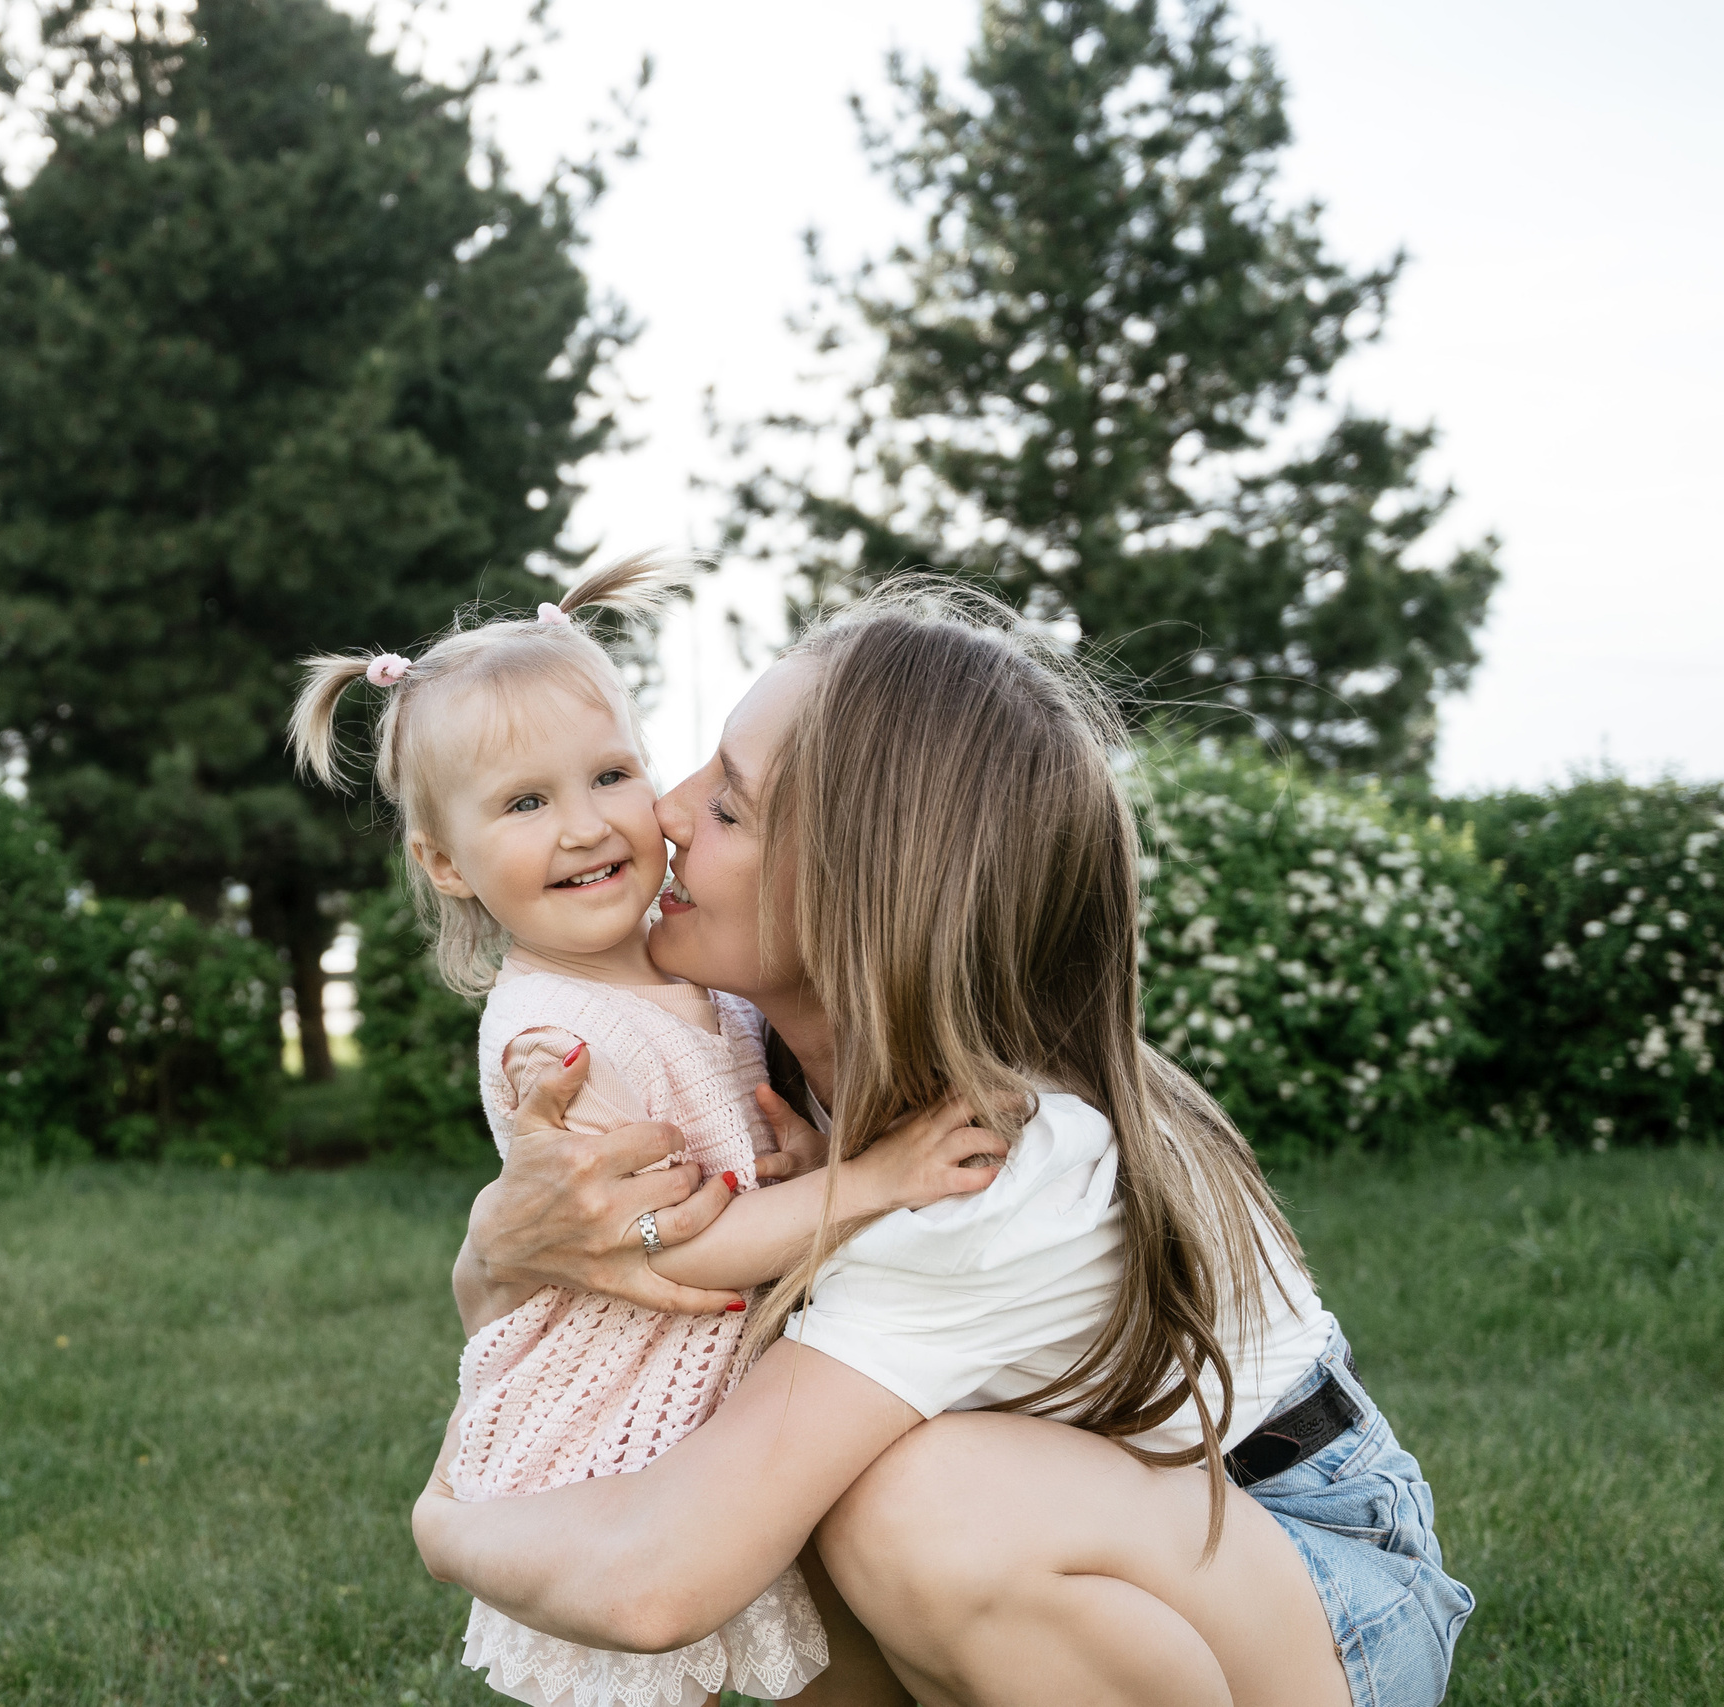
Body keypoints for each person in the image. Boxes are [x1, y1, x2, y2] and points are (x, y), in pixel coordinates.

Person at [414, 579, 1474, 1707]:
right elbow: (564, 1304)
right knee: (790, 1492)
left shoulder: (994, 1165)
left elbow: (654, 1584)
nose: (665, 810)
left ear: (860, 898)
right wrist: (502, 1240)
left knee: (907, 1511)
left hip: (1319, 1577)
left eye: (730, 806)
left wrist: (448, 1520)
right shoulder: (748, 1052)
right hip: (1147, 1524)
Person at [290, 557, 1000, 1707]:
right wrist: (872, 1180)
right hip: (617, 1421)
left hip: (722, 1396)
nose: (584, 826)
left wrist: (802, 1165)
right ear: (444, 864)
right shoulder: (556, 1034)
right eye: (524, 803)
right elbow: (674, 1254)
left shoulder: (698, 984)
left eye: (610, 774)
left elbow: (730, 1176)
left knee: (843, 1666)